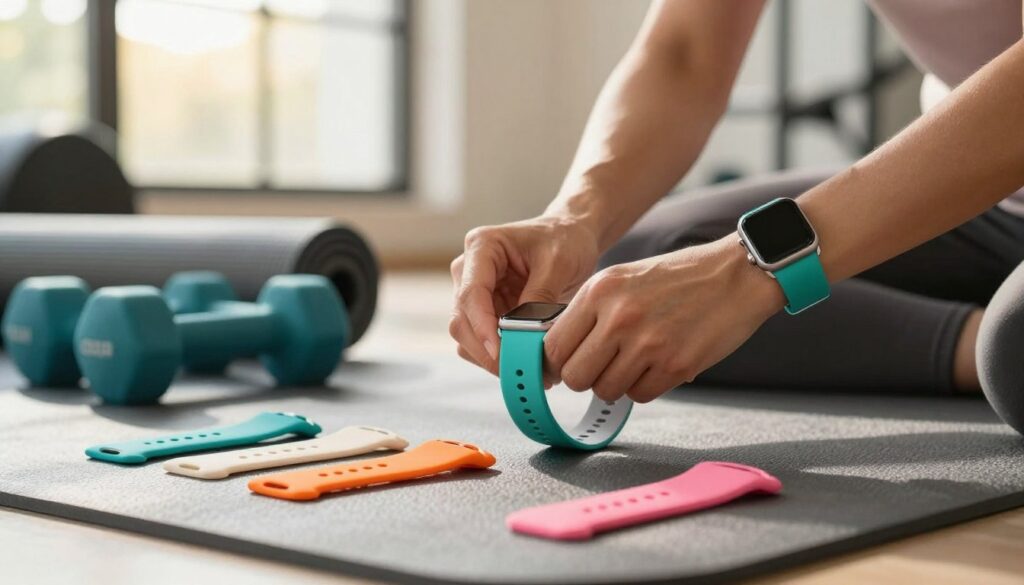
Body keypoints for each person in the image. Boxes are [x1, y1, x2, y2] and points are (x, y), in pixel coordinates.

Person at [449, 0, 1024, 405]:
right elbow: (684, 52)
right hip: (985, 204)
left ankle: (1004, 348)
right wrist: (573, 217)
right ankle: (980, 345)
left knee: (1016, 341)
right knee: (624, 267)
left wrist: (747, 273)